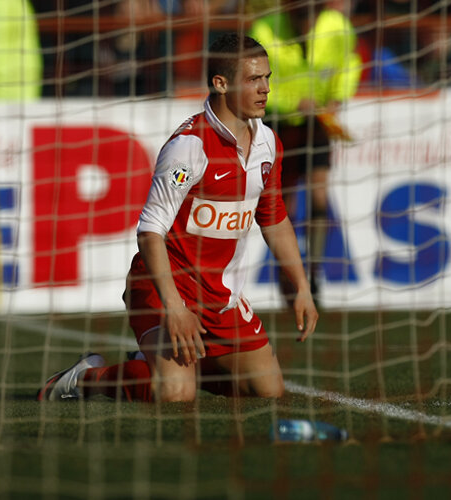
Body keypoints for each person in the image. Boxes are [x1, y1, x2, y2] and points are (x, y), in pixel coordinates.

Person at [37, 33, 319, 403]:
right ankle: (88, 377)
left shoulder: (268, 142)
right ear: (220, 83)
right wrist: (175, 308)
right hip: (163, 290)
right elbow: (149, 231)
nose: (265, 88)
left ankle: (169, 365)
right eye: (253, 79)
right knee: (174, 392)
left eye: (267, 77)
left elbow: (274, 218)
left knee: (267, 390)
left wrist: (301, 287)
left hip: (221, 299)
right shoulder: (189, 147)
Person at [249, 0, 362, 304]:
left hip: (317, 123)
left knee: (319, 196)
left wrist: (338, 97)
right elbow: (253, 82)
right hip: (278, 124)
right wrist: (292, 104)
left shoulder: (338, 27)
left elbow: (349, 64)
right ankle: (288, 274)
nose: (308, 21)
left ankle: (314, 272)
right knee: (282, 204)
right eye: (302, 14)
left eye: (314, 13)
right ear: (289, 10)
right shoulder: (264, 29)